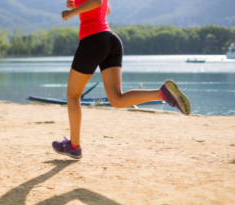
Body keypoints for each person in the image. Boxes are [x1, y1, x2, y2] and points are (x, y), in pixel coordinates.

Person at [52, 0, 191, 159]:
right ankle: (163, 94)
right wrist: (78, 5)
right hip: (111, 41)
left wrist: (71, 12)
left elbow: (96, 1)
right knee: (117, 99)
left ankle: (74, 146)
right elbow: (106, 9)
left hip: (93, 41)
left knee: (73, 95)